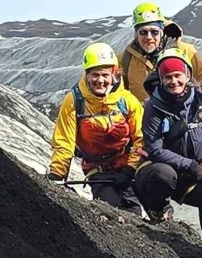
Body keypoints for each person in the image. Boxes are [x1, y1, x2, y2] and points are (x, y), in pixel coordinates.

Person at [135, 48, 202, 244]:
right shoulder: (154, 107)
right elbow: (155, 149)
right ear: (161, 78)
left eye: (178, 75)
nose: (173, 81)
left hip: (195, 170)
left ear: (187, 75)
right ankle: (158, 210)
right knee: (164, 175)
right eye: (167, 76)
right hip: (161, 170)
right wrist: (192, 166)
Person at [48, 42, 144, 210]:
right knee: (111, 207)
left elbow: (141, 139)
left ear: (113, 74)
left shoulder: (128, 101)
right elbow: (64, 141)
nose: (100, 80)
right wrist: (57, 173)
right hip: (97, 170)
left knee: (134, 210)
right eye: (95, 75)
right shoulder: (74, 101)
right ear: (87, 75)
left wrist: (129, 169)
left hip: (127, 166)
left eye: (105, 75)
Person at [120, 2, 202, 103]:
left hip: (186, 116)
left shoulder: (186, 52)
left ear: (162, 31)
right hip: (144, 117)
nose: (149, 37)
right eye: (143, 32)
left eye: (154, 32)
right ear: (135, 33)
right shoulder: (125, 59)